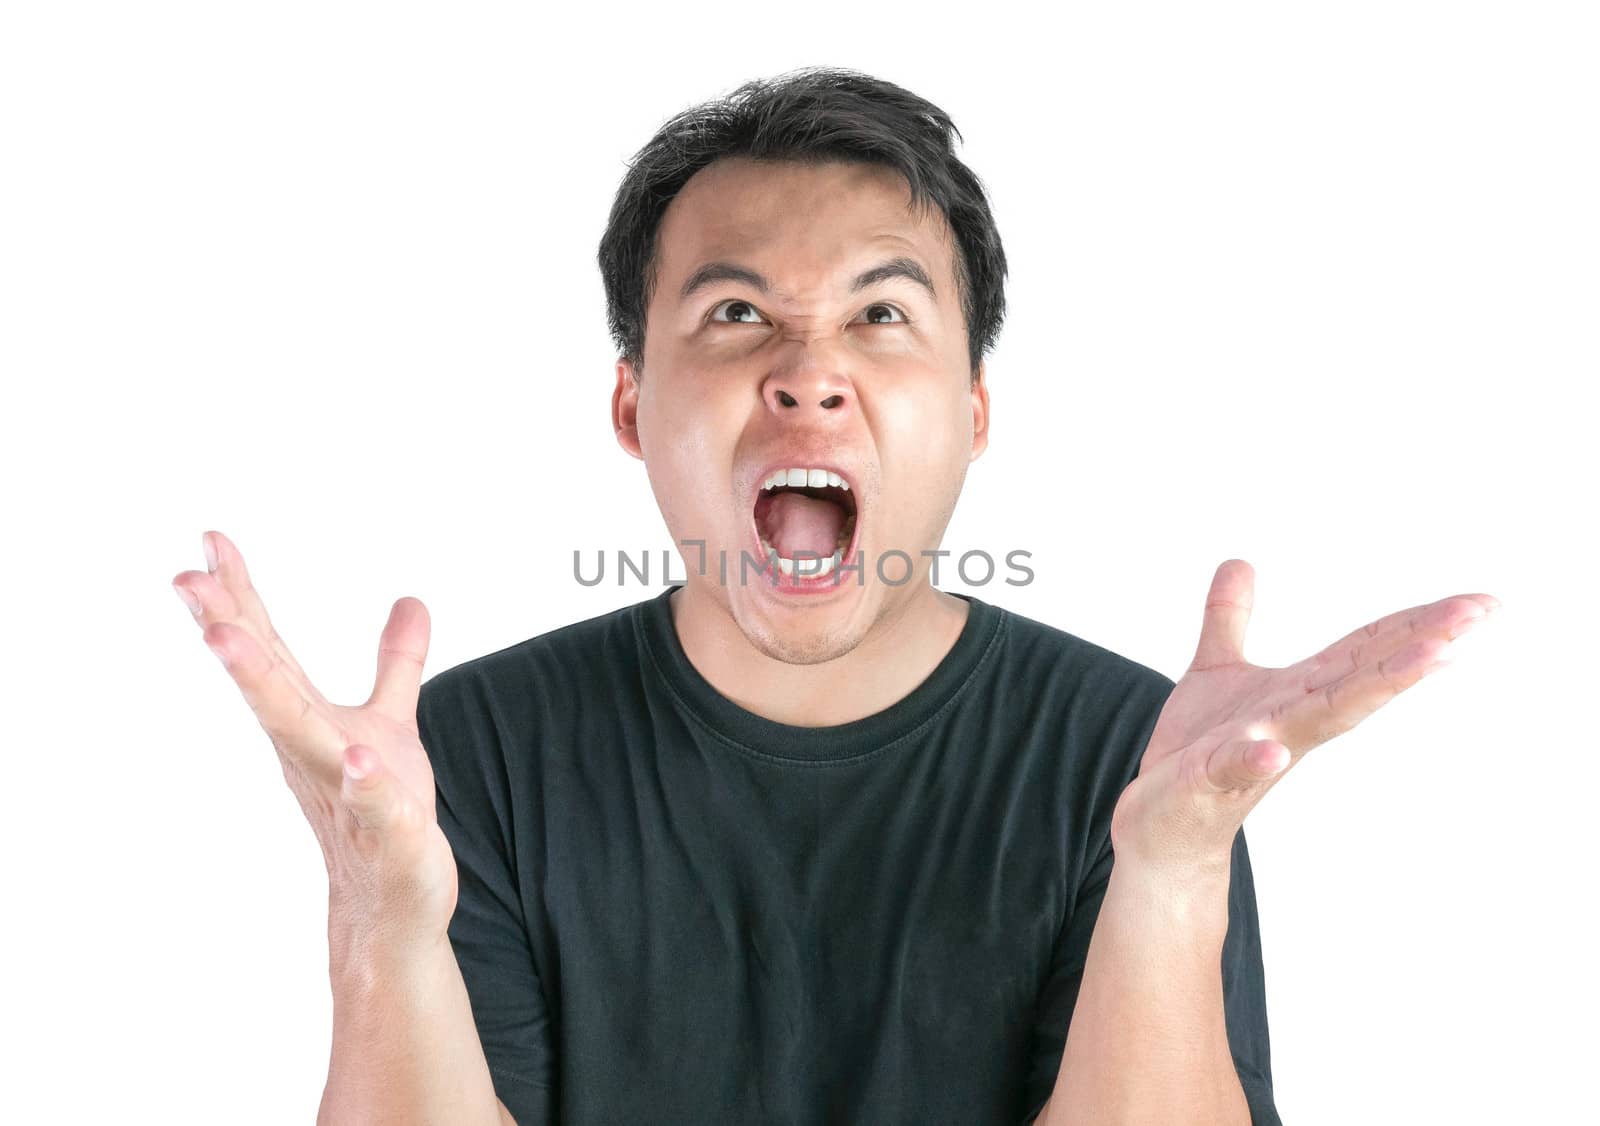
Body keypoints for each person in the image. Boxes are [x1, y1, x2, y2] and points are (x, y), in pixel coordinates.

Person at [172, 66, 1497, 1125]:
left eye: (881, 316)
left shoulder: (1138, 762)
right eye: (738, 314)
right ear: (633, 406)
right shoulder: (462, 763)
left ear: (973, 413)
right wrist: (383, 928)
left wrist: (1170, 877)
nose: (810, 372)